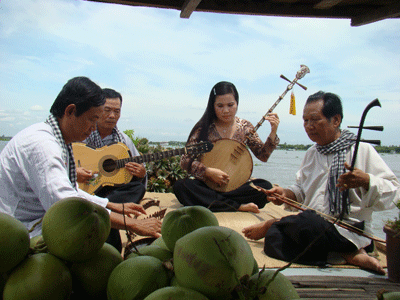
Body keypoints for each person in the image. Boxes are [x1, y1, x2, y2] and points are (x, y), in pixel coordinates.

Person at [242, 91, 399, 274]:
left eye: (315, 119)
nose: (308, 126)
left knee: (304, 221)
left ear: (336, 120)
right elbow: (301, 189)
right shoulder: (311, 153)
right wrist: (285, 193)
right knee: (273, 240)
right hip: (311, 228)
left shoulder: (361, 150)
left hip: (348, 231)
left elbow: (394, 192)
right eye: (305, 120)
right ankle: (345, 256)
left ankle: (348, 248)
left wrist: (366, 181)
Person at [0, 77, 161, 246]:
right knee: (96, 227)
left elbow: (71, 190)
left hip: (41, 220)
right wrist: (134, 224)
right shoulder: (42, 144)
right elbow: (67, 205)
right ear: (70, 111)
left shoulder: (60, 139)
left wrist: (111, 204)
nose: (93, 127)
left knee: (104, 219)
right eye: (92, 119)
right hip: (23, 232)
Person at [173, 81, 280, 213]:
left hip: (235, 187)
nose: (226, 110)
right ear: (213, 106)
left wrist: (273, 133)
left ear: (237, 104)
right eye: (220, 105)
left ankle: (214, 201)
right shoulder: (203, 129)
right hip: (208, 185)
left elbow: (262, 156)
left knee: (265, 187)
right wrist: (207, 172)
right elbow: (184, 161)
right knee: (181, 186)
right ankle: (237, 206)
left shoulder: (245, 127)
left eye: (230, 105)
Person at [76, 88, 148, 251]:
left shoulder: (124, 140)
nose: (112, 115)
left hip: (110, 192)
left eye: (117, 111)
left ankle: (101, 207)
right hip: (84, 188)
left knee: (137, 187)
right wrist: (75, 172)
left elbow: (140, 172)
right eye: (107, 110)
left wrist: (141, 173)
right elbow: (61, 165)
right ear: (97, 109)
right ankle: (105, 210)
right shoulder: (82, 133)